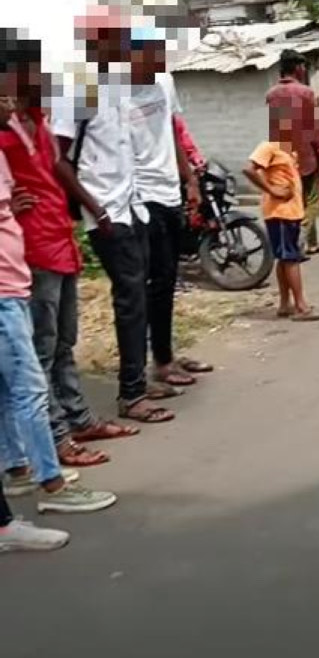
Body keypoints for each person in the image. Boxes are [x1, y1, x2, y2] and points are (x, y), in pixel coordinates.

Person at [0, 34, 142, 468]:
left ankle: (77, 420)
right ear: (15, 74)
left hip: (59, 238)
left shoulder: (35, 119)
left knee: (65, 342)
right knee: (42, 350)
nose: (44, 76)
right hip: (32, 248)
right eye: (35, 69)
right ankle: (55, 441)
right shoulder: (5, 128)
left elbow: (54, 169)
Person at [53, 21, 176, 425]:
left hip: (132, 205)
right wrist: (96, 209)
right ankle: (131, 394)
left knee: (139, 293)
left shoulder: (118, 91)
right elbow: (59, 158)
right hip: (105, 210)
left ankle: (138, 379)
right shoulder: (80, 89)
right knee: (131, 297)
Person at [0, 141, 117, 514]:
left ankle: (18, 469)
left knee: (9, 387)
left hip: (24, 272)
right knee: (30, 386)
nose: (9, 107)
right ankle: (52, 485)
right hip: (7, 286)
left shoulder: (19, 138)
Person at [126, 33, 213, 399]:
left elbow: (172, 133)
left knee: (167, 279)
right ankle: (156, 363)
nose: (152, 64)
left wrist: (189, 180)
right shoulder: (112, 93)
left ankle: (165, 355)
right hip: (139, 196)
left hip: (168, 190)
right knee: (151, 282)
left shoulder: (163, 81)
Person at [245, 103, 319, 323]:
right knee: (291, 258)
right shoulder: (270, 145)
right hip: (280, 212)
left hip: (290, 211)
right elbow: (249, 169)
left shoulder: (287, 148)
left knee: (284, 258)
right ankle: (301, 306)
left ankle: (285, 304)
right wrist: (272, 189)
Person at [266, 49, 319, 257]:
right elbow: (316, 132)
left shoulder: (273, 94)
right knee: (312, 201)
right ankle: (299, 242)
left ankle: (313, 242)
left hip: (283, 156)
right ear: (298, 68)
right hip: (305, 155)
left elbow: (276, 129)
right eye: (303, 66)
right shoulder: (306, 94)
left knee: (296, 200)